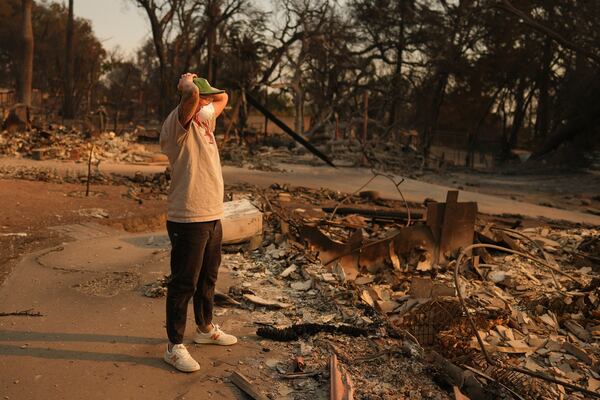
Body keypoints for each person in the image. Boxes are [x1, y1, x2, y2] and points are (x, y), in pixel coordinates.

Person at [159, 73, 237, 373]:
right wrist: (186, 84)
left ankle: (204, 329)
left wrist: (205, 88)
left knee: (208, 278)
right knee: (183, 283)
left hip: (212, 214)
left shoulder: (204, 120)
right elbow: (191, 98)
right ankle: (174, 346)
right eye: (202, 99)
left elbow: (223, 97)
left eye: (205, 99)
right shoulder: (176, 125)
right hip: (187, 216)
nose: (207, 104)